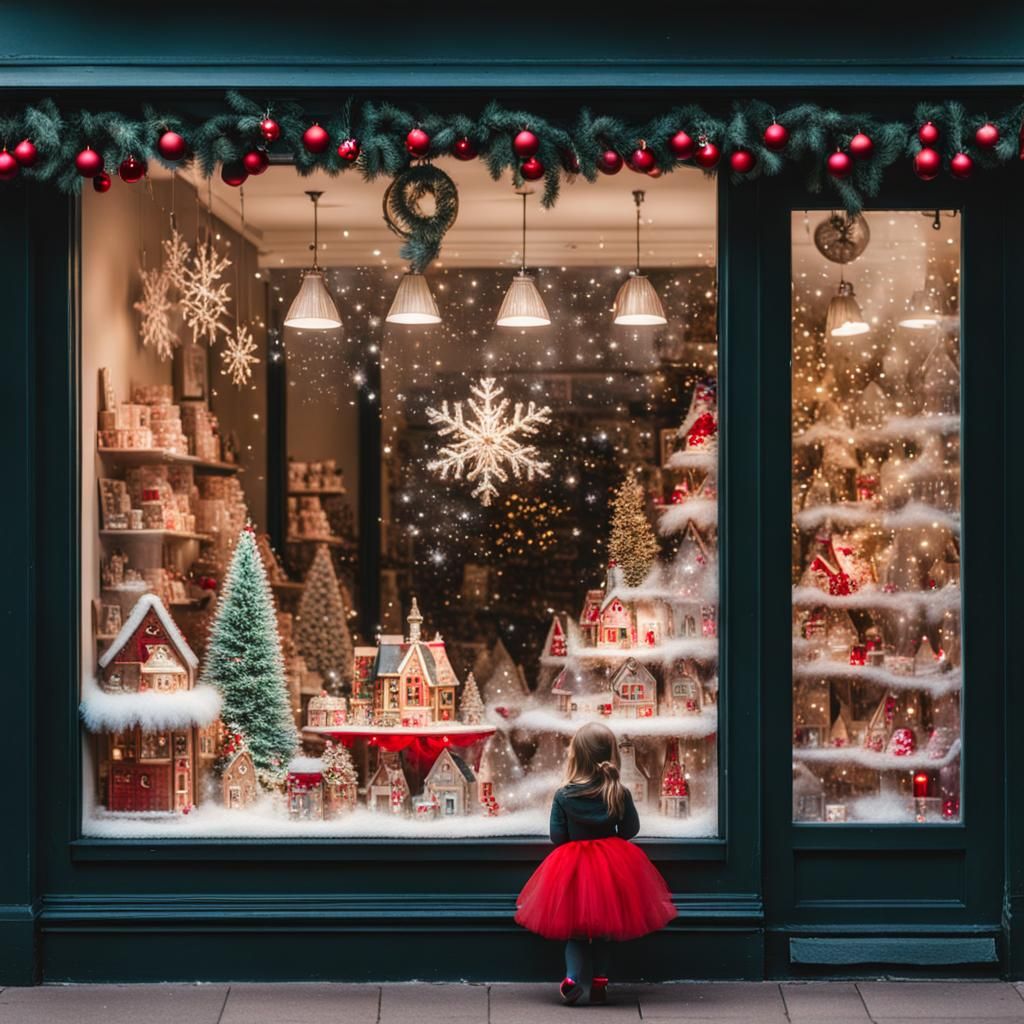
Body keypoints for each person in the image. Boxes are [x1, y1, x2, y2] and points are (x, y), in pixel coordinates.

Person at [514, 721, 677, 1005]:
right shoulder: (619, 792)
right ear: (612, 754)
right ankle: (600, 983)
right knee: (603, 933)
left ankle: (571, 979)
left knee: (576, 934)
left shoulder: (564, 795)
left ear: (575, 756)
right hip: (612, 867)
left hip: (573, 868)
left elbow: (557, 837)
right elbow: (630, 830)